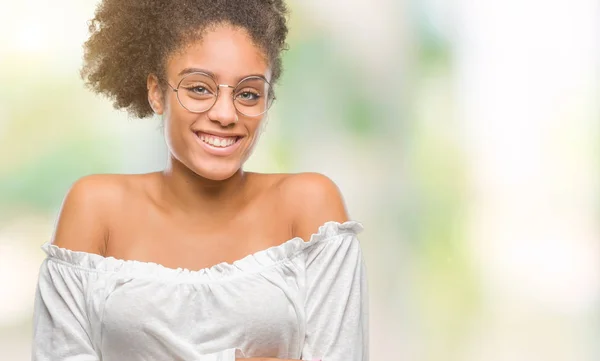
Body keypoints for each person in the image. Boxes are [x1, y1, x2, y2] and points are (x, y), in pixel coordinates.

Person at [32, 1, 369, 360]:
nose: (225, 114)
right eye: (199, 88)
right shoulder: (95, 206)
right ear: (157, 92)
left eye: (248, 93)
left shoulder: (309, 205)